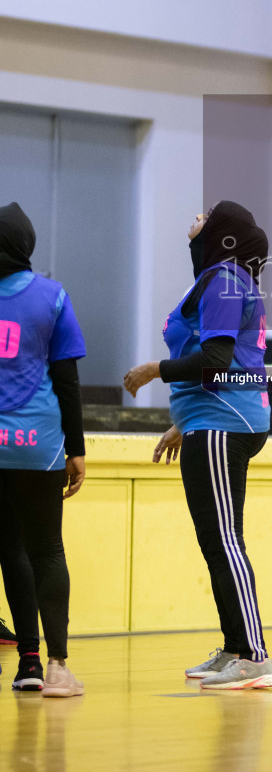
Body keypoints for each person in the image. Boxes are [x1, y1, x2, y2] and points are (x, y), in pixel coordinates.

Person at [124, 201, 272, 690]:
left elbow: (214, 361)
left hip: (224, 420)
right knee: (216, 541)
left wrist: (155, 370)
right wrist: (182, 422)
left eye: (206, 213)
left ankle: (254, 656)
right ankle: (235, 647)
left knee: (225, 540)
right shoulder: (217, 278)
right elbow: (212, 357)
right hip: (211, 418)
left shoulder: (226, 280)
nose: (195, 214)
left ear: (223, 231)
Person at [0, 202, 87, 696]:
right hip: (39, 448)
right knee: (47, 551)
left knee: (7, 549)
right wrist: (76, 449)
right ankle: (56, 668)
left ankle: (26, 661)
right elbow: (67, 381)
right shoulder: (51, 296)